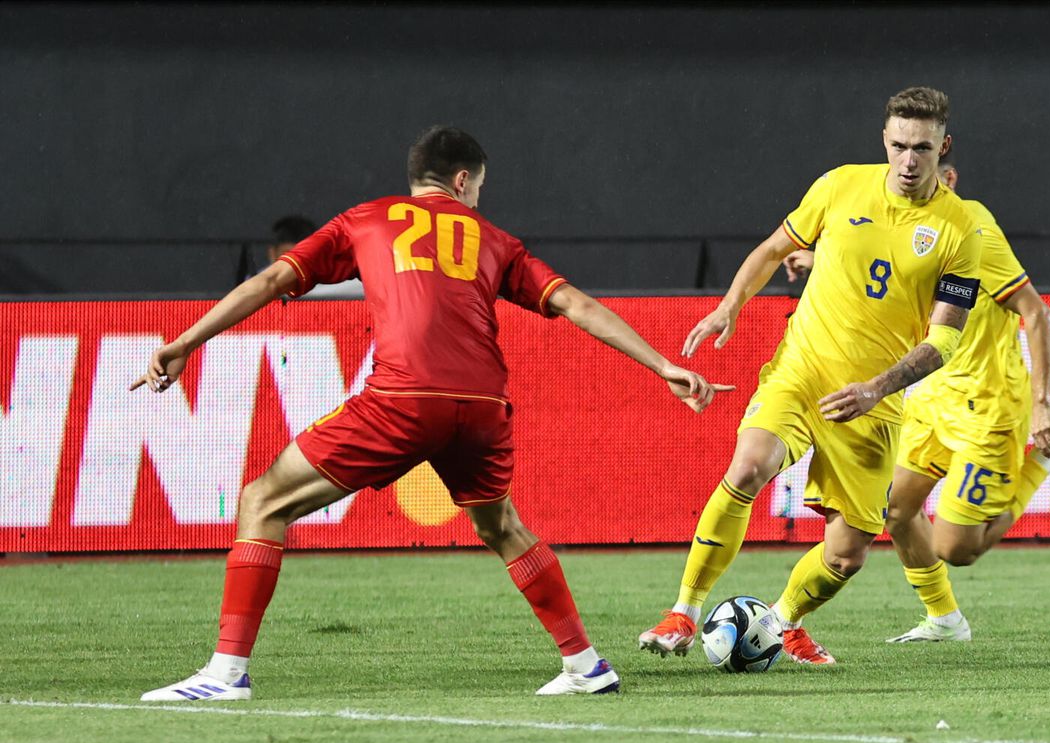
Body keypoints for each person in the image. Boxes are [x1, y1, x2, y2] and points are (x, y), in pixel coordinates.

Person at [133, 125, 731, 700]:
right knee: (503, 528)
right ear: (463, 180)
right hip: (483, 408)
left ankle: (226, 672)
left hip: (404, 399)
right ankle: (583, 664)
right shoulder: (493, 239)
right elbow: (572, 302)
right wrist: (660, 365)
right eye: (479, 188)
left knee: (263, 501)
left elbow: (270, 281)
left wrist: (186, 341)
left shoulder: (365, 219)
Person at [639, 86, 983, 665]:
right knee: (748, 467)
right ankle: (683, 613)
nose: (907, 160)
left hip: (874, 402)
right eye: (898, 145)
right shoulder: (838, 185)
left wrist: (877, 387)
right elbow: (774, 249)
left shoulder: (960, 231)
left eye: (922, 148)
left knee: (846, 556)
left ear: (942, 146)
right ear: (884, 140)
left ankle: (785, 624)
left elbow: (946, 337)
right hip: (802, 371)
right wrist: (729, 305)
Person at [794, 145, 1050, 643]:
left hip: (988, 406)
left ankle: (1044, 464)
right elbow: (873, 263)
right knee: (894, 511)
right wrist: (816, 257)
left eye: (926, 164)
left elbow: (1038, 313)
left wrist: (1043, 400)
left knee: (957, 549)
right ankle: (944, 620)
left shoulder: (973, 229)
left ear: (948, 176)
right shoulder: (902, 229)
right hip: (931, 400)